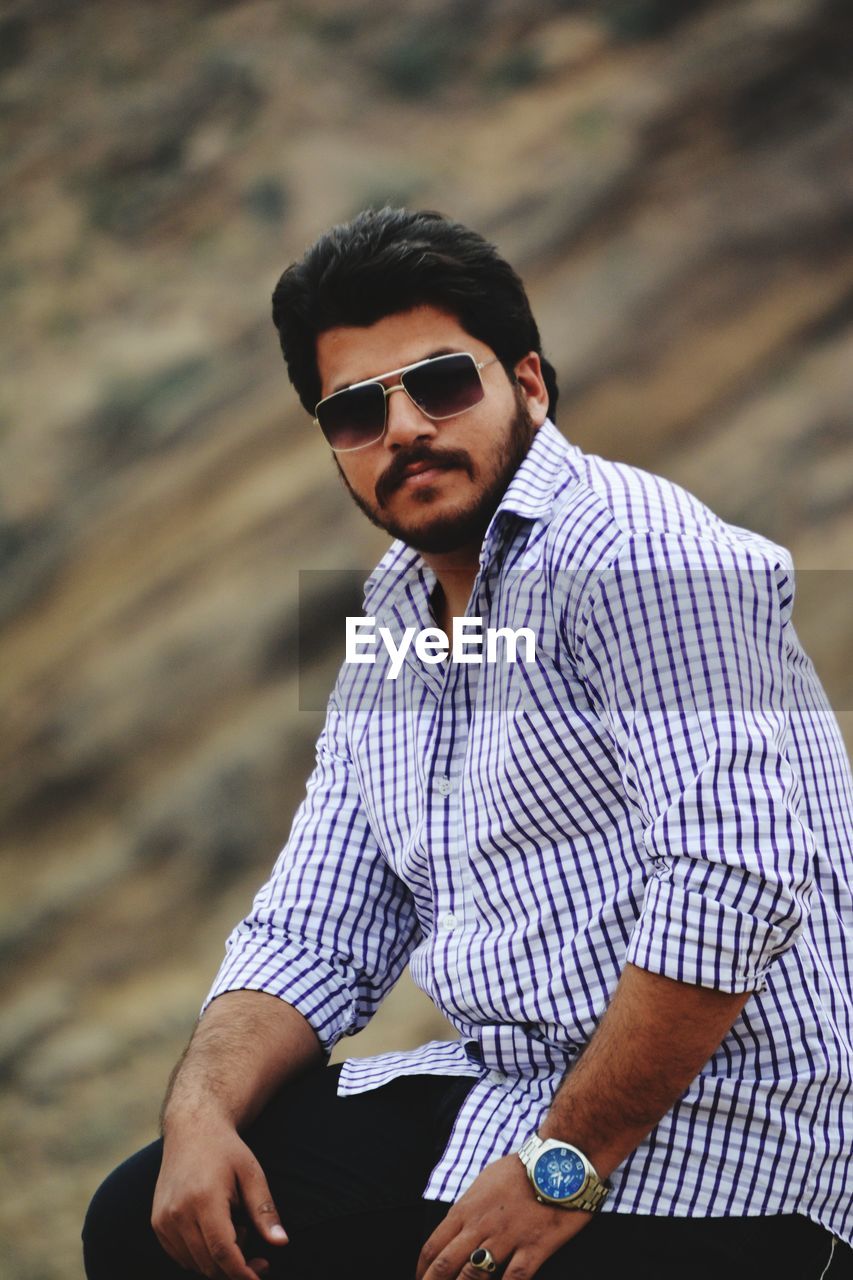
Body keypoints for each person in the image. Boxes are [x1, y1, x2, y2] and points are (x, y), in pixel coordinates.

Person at [82, 207, 853, 1280]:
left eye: (440, 383)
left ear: (528, 382)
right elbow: (314, 926)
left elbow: (738, 878)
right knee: (159, 1218)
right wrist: (200, 1109)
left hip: (738, 1157)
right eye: (354, 410)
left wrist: (561, 1162)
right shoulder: (396, 619)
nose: (401, 427)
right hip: (517, 1106)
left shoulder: (641, 554)